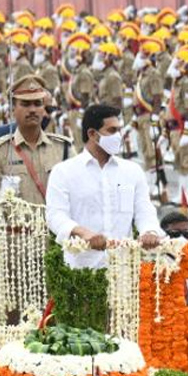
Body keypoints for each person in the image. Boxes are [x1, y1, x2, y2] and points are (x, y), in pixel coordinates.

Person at [46, 103, 162, 269]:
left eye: (119, 130)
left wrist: (149, 231)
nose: (119, 136)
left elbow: (144, 210)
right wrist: (82, 232)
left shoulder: (132, 171)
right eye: (112, 131)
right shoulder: (64, 172)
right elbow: (55, 216)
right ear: (92, 134)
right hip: (81, 270)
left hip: (123, 270)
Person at [0, 75, 73, 204]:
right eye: (25, 104)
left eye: (38, 104)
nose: (32, 110)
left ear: (44, 109)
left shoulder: (64, 148)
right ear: (13, 109)